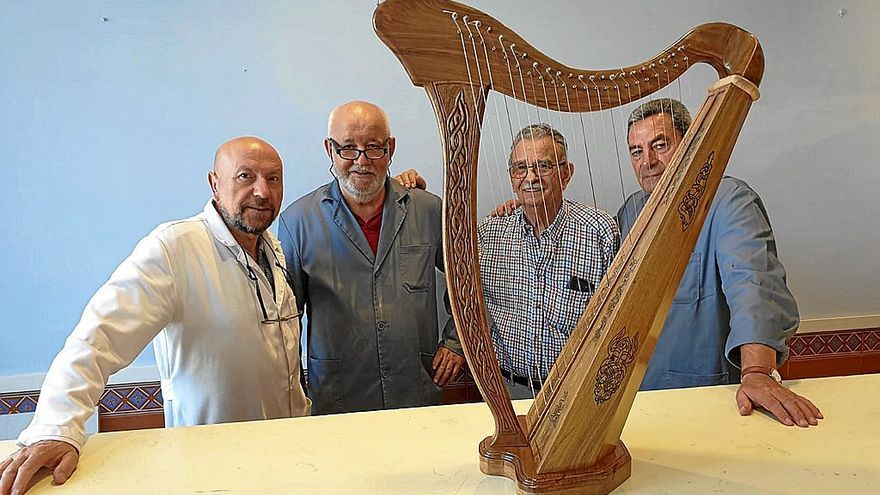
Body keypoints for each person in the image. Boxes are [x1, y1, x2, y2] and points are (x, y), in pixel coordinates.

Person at [0, 137, 310, 494]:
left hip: (286, 461)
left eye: (273, 179)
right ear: (214, 183)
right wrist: (56, 429)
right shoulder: (175, 248)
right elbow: (96, 339)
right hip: (210, 471)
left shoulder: (272, 250)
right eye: (245, 176)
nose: (262, 191)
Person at [618, 98, 822, 427]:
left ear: (689, 145)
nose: (648, 162)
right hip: (638, 399)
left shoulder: (730, 199)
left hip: (708, 395)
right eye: (636, 151)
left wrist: (756, 371)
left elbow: (753, 283)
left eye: (660, 145)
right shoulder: (631, 210)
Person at [277, 101, 464, 415]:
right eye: (348, 148)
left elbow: (470, 283)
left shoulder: (429, 210)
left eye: (373, 147)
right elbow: (285, 319)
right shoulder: (297, 222)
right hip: (338, 398)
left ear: (390, 149)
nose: (361, 162)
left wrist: (456, 342)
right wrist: (292, 394)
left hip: (415, 391)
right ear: (329, 150)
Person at [478, 124, 619, 399]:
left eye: (543, 166)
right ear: (511, 178)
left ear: (566, 174)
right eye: (521, 168)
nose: (530, 177)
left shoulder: (601, 231)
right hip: (506, 392)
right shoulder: (489, 235)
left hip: (578, 393)